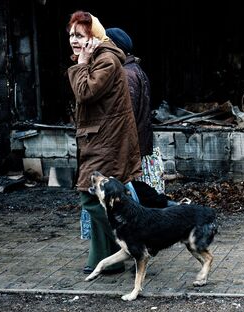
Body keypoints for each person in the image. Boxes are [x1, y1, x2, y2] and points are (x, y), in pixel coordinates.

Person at [66, 11, 142, 275]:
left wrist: (81, 63)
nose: (74, 41)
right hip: (99, 138)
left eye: (80, 35)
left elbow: (85, 92)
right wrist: (83, 61)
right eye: (71, 35)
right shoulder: (98, 58)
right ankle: (104, 260)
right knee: (98, 199)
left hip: (107, 141)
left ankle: (135, 238)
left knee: (90, 196)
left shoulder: (106, 60)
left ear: (94, 36)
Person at [106, 27, 165, 195]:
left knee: (134, 202)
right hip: (137, 147)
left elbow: (125, 117)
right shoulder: (134, 70)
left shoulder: (124, 74)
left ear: (114, 47)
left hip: (130, 150)